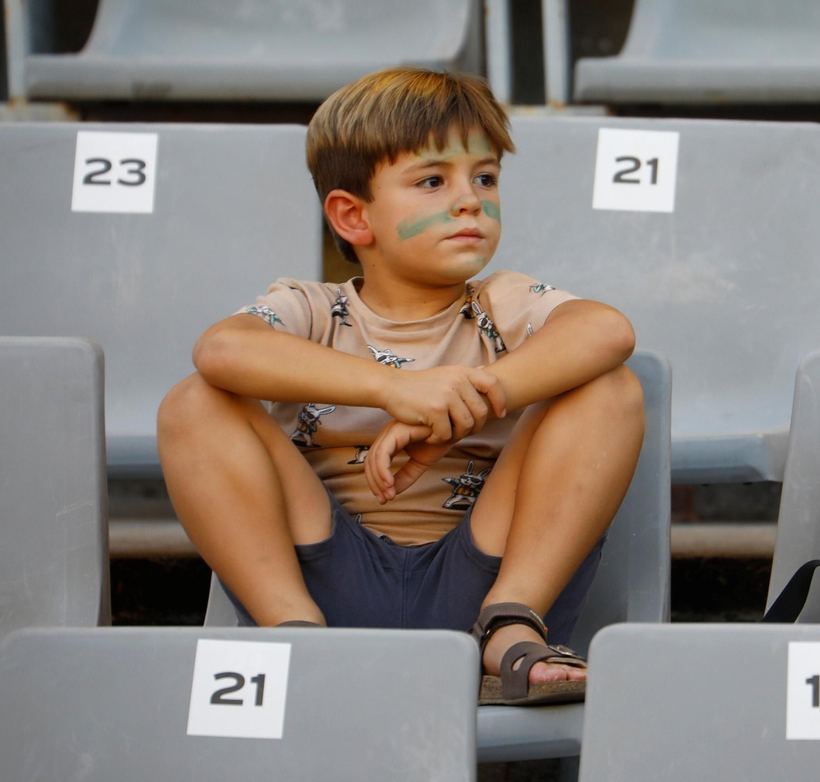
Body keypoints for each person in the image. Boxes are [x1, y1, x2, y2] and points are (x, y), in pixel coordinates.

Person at [157, 67, 646, 706]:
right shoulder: (310, 309)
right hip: (326, 580)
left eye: (485, 178)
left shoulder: (502, 302)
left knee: (608, 388)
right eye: (432, 181)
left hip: (483, 577)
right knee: (195, 401)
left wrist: (468, 401)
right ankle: (292, 639)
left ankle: (511, 627)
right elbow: (222, 350)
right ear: (353, 216)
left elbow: (606, 330)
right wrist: (397, 391)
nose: (470, 200)